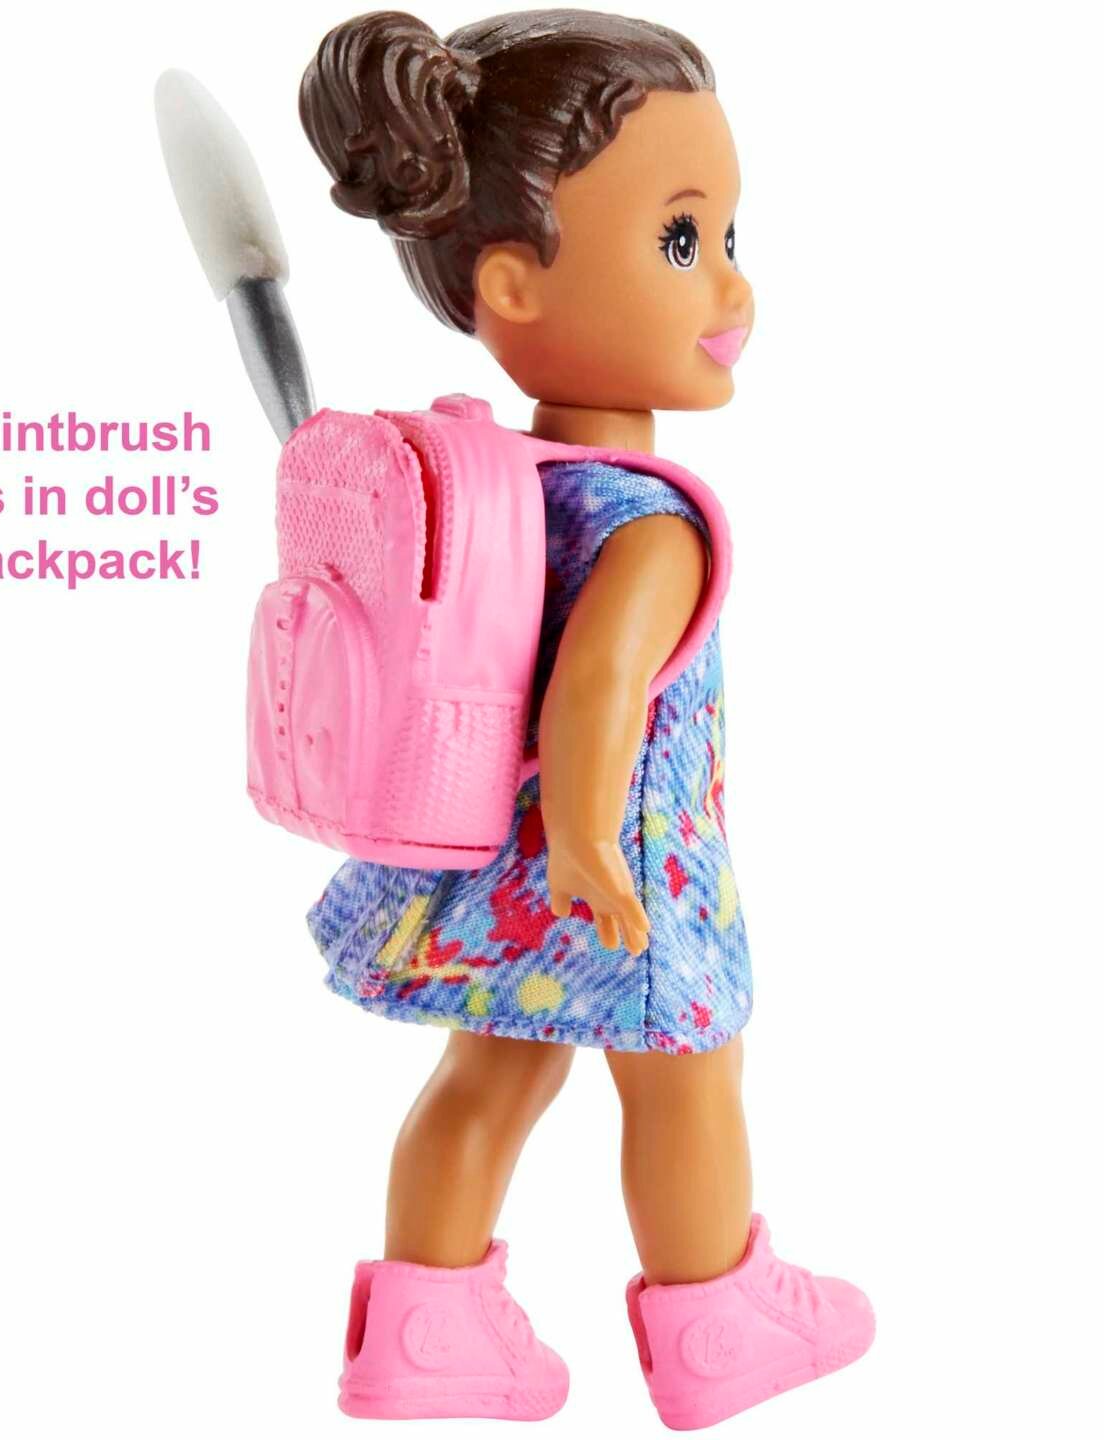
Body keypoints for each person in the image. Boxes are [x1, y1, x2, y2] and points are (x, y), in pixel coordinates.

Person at [298, 11, 874, 1427]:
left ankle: (424, 1331)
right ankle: (721, 1322)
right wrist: (591, 846)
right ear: (513, 282)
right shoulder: (649, 523)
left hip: (489, 859)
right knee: (690, 1076)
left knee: (491, 1068)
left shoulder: (493, 481)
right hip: (618, 867)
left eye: (727, 234)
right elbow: (600, 684)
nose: (731, 282)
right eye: (681, 241)